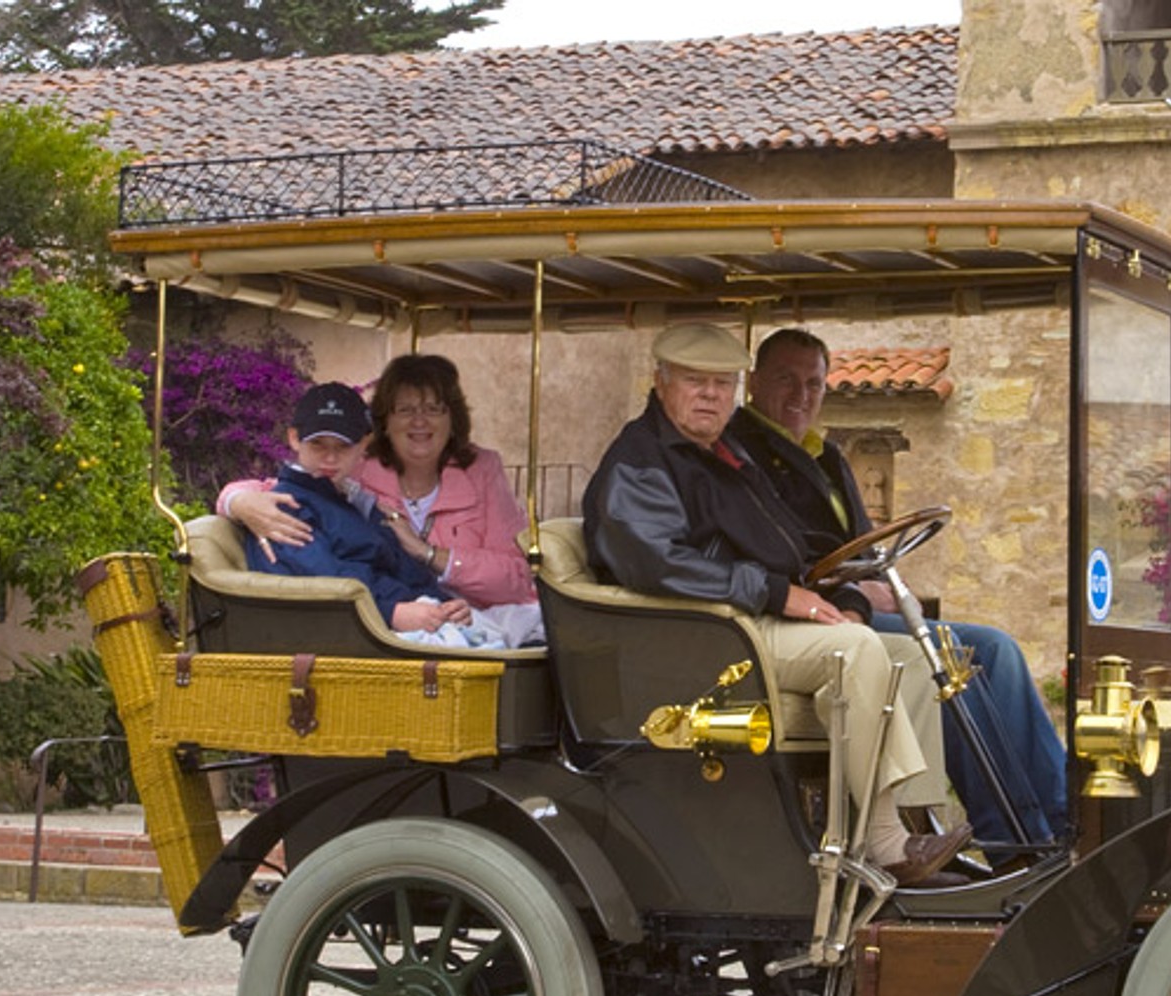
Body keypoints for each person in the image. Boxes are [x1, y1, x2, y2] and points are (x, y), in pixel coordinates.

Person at [582, 323, 973, 887]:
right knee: (856, 653)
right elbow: (657, 565)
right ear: (660, 383)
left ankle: (917, 825)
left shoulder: (725, 457)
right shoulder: (641, 462)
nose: (712, 395)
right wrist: (776, 593)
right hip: (695, 637)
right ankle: (885, 846)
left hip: (745, 624)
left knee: (906, 656)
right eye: (696, 382)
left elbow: (797, 547)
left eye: (723, 383)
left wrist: (842, 599)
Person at [730, 328, 1071, 847]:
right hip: (810, 613)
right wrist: (857, 592)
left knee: (995, 649)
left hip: (853, 598)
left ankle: (1060, 820)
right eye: (785, 380)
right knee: (955, 654)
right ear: (754, 382)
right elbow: (780, 555)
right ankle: (1012, 838)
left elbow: (863, 540)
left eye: (814, 384)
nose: (801, 395)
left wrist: (882, 575)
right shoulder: (743, 455)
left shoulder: (826, 456)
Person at [220, 353, 536, 611]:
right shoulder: (354, 463)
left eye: (433, 409)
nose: (419, 421)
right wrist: (238, 502)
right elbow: (289, 489)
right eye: (406, 410)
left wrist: (429, 554)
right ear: (384, 422)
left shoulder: (482, 468)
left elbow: (517, 578)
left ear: (453, 419)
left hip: (475, 613)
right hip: (392, 618)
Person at [241, 382, 473, 636]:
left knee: (514, 623)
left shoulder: (356, 502)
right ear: (295, 439)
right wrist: (393, 612)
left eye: (342, 446)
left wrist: (443, 604)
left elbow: (405, 570)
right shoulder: (283, 508)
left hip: (401, 618)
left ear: (364, 444)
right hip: (358, 635)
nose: (330, 458)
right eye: (318, 444)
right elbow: (324, 582)